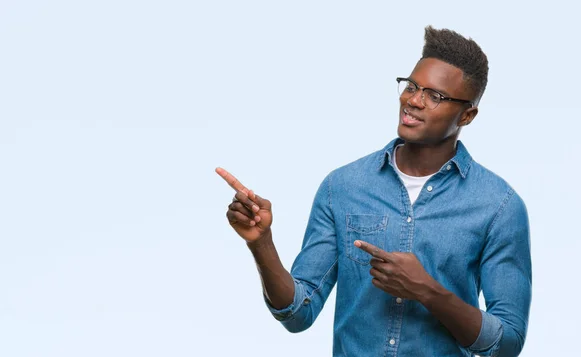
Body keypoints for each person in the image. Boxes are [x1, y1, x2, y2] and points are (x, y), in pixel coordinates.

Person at [216, 26, 531, 357]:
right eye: (411, 86)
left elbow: (506, 342)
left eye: (434, 96)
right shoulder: (343, 187)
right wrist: (261, 243)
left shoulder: (498, 206)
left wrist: (428, 291)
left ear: (467, 114)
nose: (412, 101)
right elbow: (298, 313)